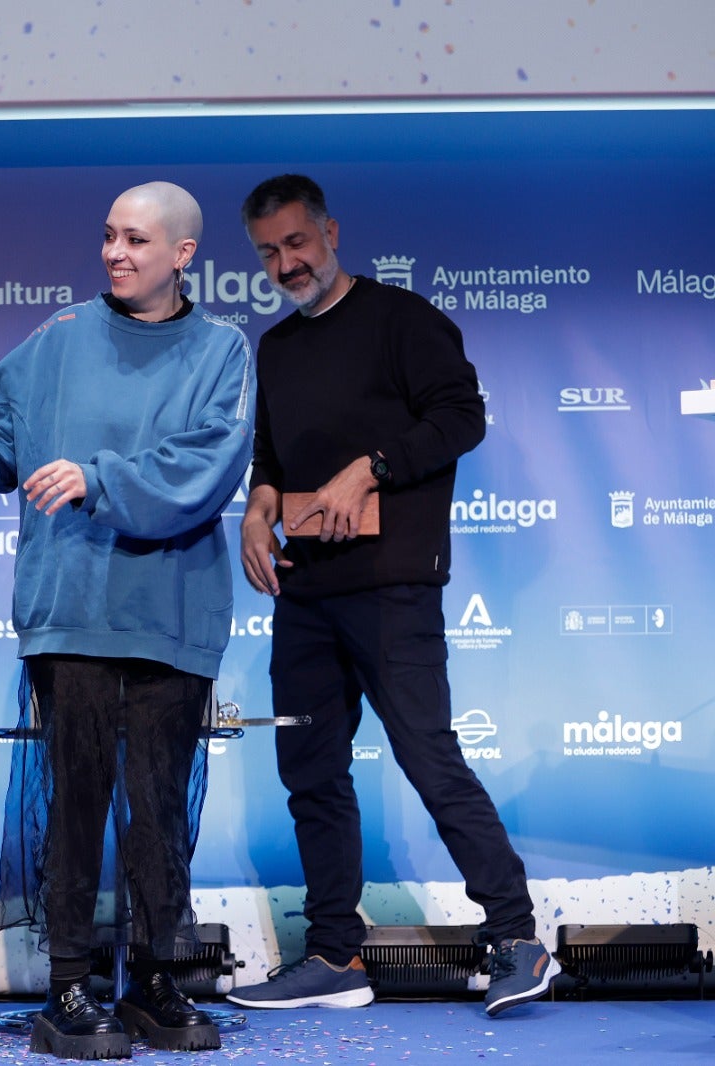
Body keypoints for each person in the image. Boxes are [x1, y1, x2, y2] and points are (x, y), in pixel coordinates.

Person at [0, 182, 253, 1059]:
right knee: (74, 803)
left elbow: (207, 465)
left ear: (184, 254)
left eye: (136, 240)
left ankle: (155, 977)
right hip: (72, 607)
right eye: (107, 236)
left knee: (158, 806)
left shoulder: (222, 350)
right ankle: (67, 985)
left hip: (172, 609)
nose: (114, 253)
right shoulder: (58, 340)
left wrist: (97, 478)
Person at [227, 174, 557, 1018]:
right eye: (268, 252)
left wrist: (369, 466)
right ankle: (336, 952)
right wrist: (258, 512)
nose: (286, 263)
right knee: (310, 772)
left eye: (297, 243)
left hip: (393, 585)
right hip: (304, 589)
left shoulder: (403, 320)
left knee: (427, 757)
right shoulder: (276, 347)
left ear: (331, 232)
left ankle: (518, 938)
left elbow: (461, 417)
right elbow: (270, 458)